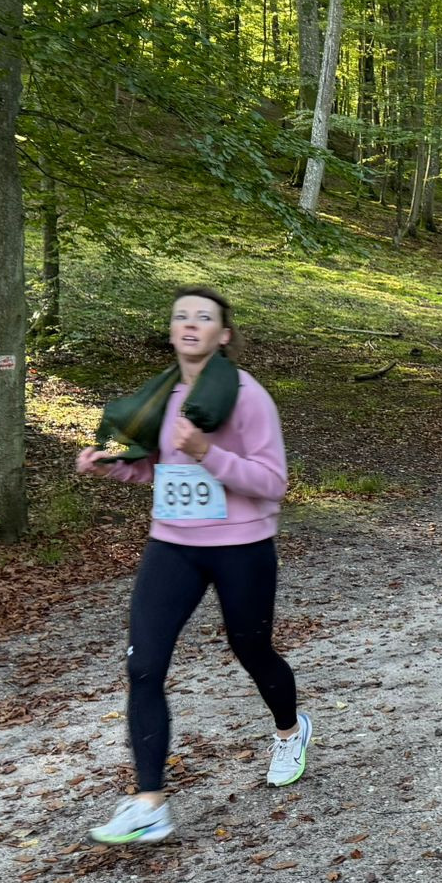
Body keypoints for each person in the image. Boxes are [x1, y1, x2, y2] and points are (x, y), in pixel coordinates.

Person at [74, 288, 312, 843]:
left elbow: (273, 483)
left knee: (250, 648)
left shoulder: (248, 397)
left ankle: (288, 730)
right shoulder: (162, 396)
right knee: (144, 665)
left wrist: (210, 454)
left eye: (203, 317)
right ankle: (149, 802)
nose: (189, 324)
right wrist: (111, 467)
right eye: (181, 315)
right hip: (172, 545)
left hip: (242, 545)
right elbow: (156, 471)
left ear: (223, 334)